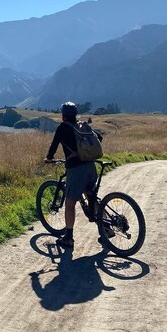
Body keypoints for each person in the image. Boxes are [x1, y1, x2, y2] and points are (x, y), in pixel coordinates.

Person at [43, 102, 104, 248]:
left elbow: (54, 145)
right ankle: (106, 229)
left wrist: (49, 158)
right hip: (90, 166)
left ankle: (68, 238)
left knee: (69, 204)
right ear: (75, 115)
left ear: (63, 115)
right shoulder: (81, 126)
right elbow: (99, 139)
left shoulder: (63, 127)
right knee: (91, 196)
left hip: (76, 169)